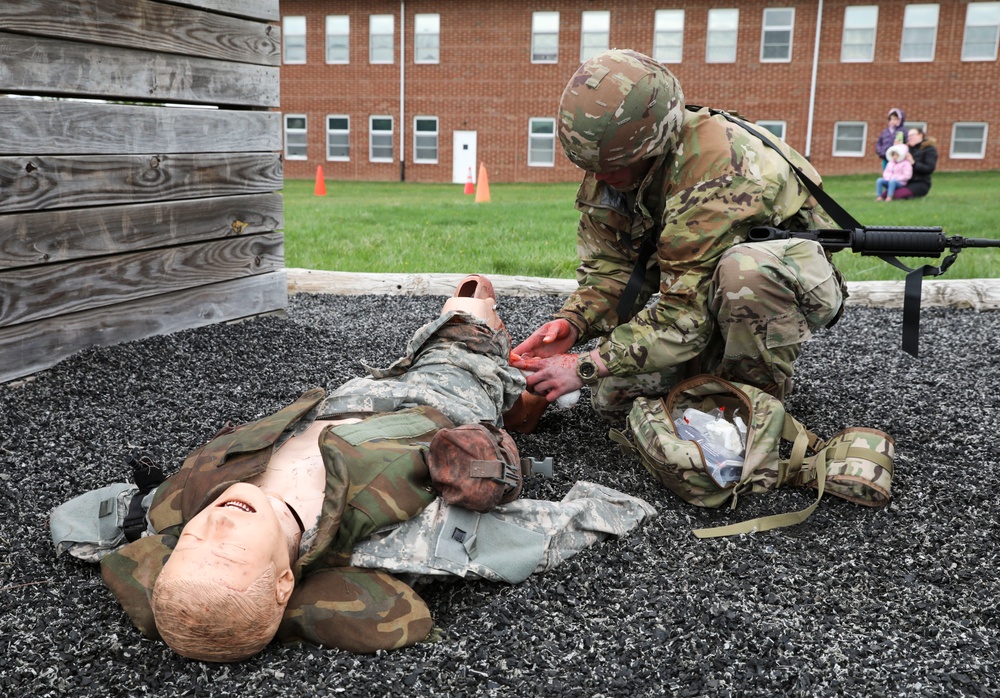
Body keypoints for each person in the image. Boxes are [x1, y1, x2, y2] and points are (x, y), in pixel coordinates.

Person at [49, 275, 654, 661]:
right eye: (230, 554)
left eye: (190, 546)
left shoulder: (177, 514)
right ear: (285, 584)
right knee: (469, 303)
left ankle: (518, 385)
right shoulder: (388, 545)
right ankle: (515, 387)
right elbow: (558, 528)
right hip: (442, 399)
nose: (216, 526)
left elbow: (79, 523)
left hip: (351, 396)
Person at [511, 49, 846, 423]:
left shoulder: (717, 170)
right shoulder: (617, 168)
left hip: (777, 286)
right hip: (703, 289)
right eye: (592, 167)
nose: (601, 177)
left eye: (614, 166)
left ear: (654, 144)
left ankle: (753, 403)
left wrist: (586, 366)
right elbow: (613, 270)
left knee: (745, 273)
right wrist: (574, 323)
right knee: (612, 398)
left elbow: (684, 312)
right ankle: (712, 371)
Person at [891, 127, 937, 200]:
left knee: (897, 196)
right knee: (886, 195)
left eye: (912, 135)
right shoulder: (906, 148)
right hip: (905, 181)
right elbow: (895, 163)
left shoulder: (930, 150)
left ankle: (912, 194)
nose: (909, 138)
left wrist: (913, 163)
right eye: (908, 136)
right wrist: (896, 149)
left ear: (920, 135)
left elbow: (929, 168)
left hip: (920, 182)